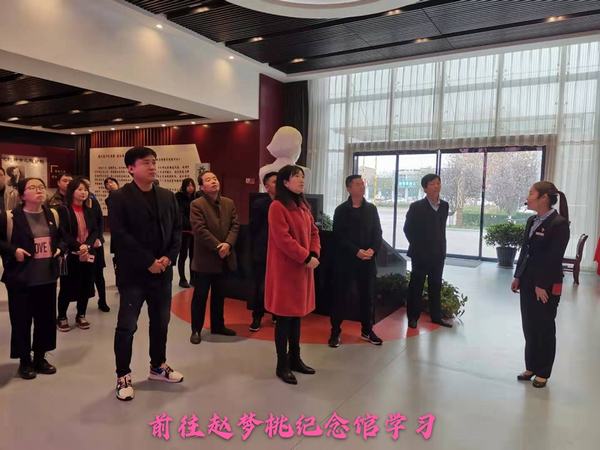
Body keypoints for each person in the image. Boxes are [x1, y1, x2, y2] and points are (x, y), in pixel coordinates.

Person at [109, 146, 183, 401]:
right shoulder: (119, 198)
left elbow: (176, 230)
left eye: (154, 162)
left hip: (162, 272)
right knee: (127, 326)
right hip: (134, 275)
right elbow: (121, 236)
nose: (152, 166)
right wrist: (148, 261)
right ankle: (123, 375)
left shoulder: (167, 196)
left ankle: (158, 366)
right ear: (131, 168)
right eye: (146, 163)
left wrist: (169, 258)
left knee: (161, 322)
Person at [0, 178, 66, 379]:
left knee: (45, 321)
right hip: (21, 279)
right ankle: (24, 361)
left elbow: (62, 238)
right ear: (22, 195)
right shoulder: (10, 217)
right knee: (21, 321)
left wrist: (60, 248)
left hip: (47, 278)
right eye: (33, 187)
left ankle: (39, 358)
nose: (39, 190)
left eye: (41, 187)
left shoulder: (52, 214)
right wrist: (14, 251)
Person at [265, 165, 320, 385]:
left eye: (302, 176)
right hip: (286, 271)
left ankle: (295, 358)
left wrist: (314, 253)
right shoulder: (277, 206)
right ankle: (282, 364)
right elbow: (283, 239)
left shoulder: (303, 206)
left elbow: (314, 232)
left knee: (297, 317)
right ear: (285, 182)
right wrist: (306, 257)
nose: (301, 180)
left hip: (302, 269)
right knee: (284, 319)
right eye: (296, 176)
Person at [512, 181, 570, 388]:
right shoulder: (532, 220)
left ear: (544, 198)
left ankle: (543, 371)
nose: (528, 197)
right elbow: (525, 250)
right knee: (529, 325)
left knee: (544, 327)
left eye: (531, 193)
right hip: (528, 281)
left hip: (546, 285)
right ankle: (531, 366)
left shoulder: (559, 224)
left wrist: (541, 284)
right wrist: (518, 276)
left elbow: (554, 258)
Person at [329, 175, 383, 348]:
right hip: (345, 261)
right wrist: (356, 251)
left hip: (367, 260)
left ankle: (367, 330)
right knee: (340, 297)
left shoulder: (371, 209)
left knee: (367, 297)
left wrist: (372, 250)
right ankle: (335, 331)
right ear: (349, 188)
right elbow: (338, 236)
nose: (362, 186)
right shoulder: (341, 210)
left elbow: (378, 232)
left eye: (362, 184)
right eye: (358, 184)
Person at [189, 171, 239, 344]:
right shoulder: (197, 204)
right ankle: (196, 329)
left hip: (224, 258)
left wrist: (228, 244)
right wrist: (219, 246)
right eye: (208, 180)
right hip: (205, 260)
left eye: (215, 179)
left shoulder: (228, 202)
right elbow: (199, 229)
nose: (213, 182)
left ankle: (218, 325)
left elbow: (235, 225)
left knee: (220, 295)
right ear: (202, 187)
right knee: (200, 296)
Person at [403, 174, 453, 329]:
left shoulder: (444, 206)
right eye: (432, 184)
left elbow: (440, 229)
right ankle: (413, 317)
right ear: (425, 188)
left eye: (438, 183)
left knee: (435, 285)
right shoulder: (416, 207)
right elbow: (407, 229)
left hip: (438, 254)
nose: (436, 186)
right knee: (416, 286)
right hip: (420, 254)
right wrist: (419, 246)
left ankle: (436, 317)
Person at [56, 177, 101, 332]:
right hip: (71, 254)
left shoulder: (89, 210)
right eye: (80, 189)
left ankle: (81, 314)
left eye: (85, 190)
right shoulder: (64, 210)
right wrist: (78, 245)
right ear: (72, 191)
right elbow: (63, 232)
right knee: (67, 287)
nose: (84, 192)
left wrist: (87, 245)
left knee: (86, 285)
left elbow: (95, 230)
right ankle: (62, 316)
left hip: (87, 253)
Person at [248, 171, 277, 332]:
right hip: (262, 250)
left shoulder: (287, 203)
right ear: (266, 186)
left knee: (278, 285)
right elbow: (254, 228)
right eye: (274, 182)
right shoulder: (260, 204)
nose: (278, 184)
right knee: (260, 285)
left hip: (281, 253)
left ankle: (276, 313)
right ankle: (257, 316)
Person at [84, 179, 110, 313]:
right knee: (85, 276)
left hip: (96, 244)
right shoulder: (70, 203)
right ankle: (81, 306)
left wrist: (99, 237)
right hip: (81, 246)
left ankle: (102, 300)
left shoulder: (92, 200)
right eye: (81, 188)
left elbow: (99, 220)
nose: (84, 190)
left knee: (99, 274)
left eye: (87, 187)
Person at [175, 178, 196, 288]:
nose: (190, 188)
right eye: (188, 185)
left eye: (192, 185)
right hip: (184, 231)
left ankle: (193, 278)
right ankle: (182, 279)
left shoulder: (195, 197)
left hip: (194, 231)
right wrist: (189, 225)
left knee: (193, 255)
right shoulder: (178, 197)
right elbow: (180, 214)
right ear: (184, 186)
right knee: (183, 255)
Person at [104, 177, 120, 286]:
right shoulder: (109, 199)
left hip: (129, 231)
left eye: (112, 182)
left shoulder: (126, 195)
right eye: (107, 183)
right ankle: (119, 280)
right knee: (118, 257)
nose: (110, 184)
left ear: (117, 183)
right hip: (117, 232)